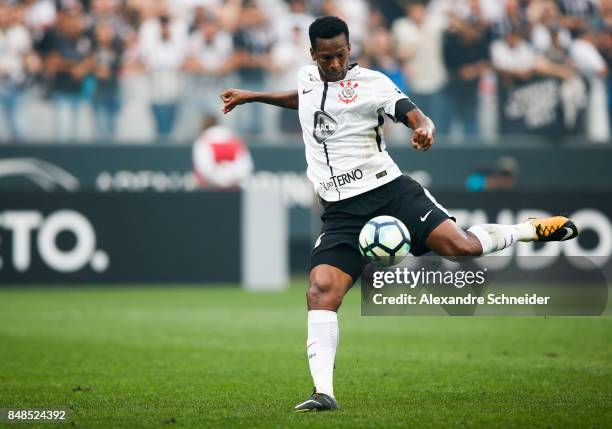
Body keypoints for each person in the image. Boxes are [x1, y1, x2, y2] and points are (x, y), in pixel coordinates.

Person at [220, 16, 579, 412]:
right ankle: (323, 393)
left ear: (349, 48)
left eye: (340, 55)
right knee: (321, 291)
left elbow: (412, 113)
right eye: (326, 59)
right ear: (313, 55)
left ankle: (529, 230)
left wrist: (424, 128)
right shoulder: (308, 78)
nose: (335, 64)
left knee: (462, 247)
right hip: (341, 212)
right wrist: (252, 96)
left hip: (390, 193)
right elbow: (304, 98)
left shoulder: (373, 83)